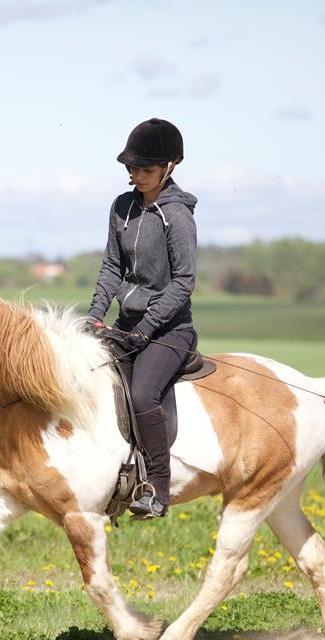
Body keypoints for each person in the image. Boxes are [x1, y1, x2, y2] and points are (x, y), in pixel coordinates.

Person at [86, 118, 198, 519]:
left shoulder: (177, 216)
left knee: (142, 395)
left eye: (144, 170)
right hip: (125, 327)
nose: (135, 176)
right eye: (130, 169)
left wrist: (148, 328)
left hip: (169, 331)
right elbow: (111, 267)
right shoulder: (123, 207)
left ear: (170, 166)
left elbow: (185, 282)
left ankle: (157, 490)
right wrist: (95, 315)